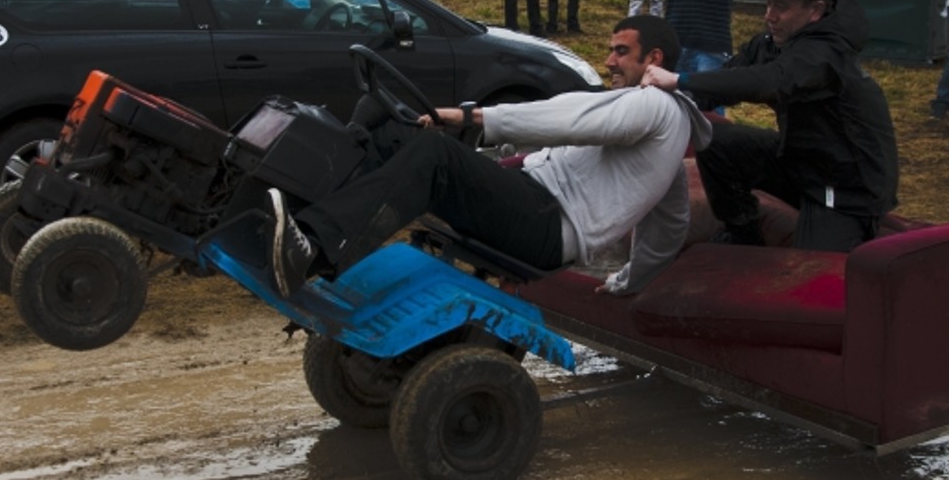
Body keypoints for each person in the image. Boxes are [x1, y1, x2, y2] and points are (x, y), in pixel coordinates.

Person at [266, 15, 710, 298]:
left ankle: (316, 249)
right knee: (396, 131)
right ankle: (298, 225)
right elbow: (669, 224)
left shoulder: (656, 104)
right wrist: (627, 283)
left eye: (621, 52)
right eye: (611, 50)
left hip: (546, 223)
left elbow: (572, 118)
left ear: (654, 58)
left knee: (436, 153)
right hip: (532, 206)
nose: (610, 61)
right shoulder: (667, 138)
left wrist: (470, 116)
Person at [641, 0, 899, 253]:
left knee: (810, 267)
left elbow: (771, 81)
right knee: (713, 138)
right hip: (802, 160)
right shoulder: (771, 44)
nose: (769, 15)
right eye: (768, 3)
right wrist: (653, 102)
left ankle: (849, 229)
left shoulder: (825, 54)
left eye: (781, 6)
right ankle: (743, 230)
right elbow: (724, 83)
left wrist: (679, 79)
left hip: (847, 185)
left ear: (815, 10)